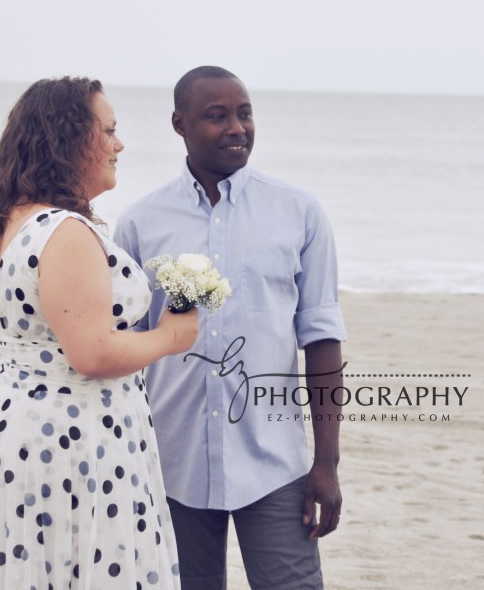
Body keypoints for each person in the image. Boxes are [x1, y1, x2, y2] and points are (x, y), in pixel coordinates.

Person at [0, 77, 198, 590]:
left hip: (17, 429)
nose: (119, 144)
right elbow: (93, 353)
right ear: (68, 140)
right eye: (108, 131)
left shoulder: (13, 222)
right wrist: (175, 336)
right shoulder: (65, 231)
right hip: (71, 445)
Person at [114, 66, 346, 590]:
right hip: (171, 465)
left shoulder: (299, 213)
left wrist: (327, 463)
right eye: (217, 116)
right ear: (180, 124)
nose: (237, 127)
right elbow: (122, 348)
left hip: (276, 465)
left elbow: (322, 339)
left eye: (244, 113)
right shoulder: (139, 223)